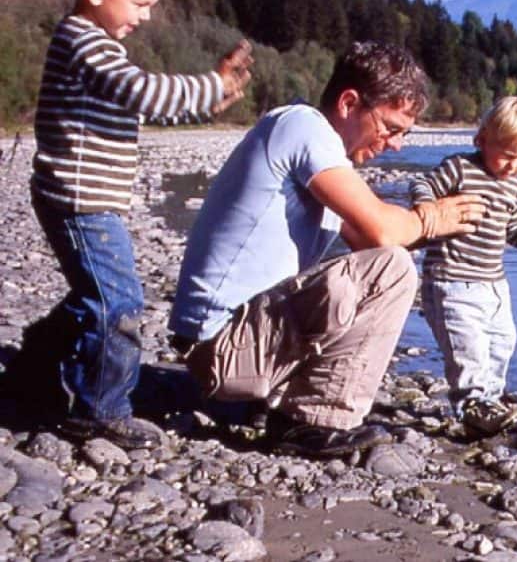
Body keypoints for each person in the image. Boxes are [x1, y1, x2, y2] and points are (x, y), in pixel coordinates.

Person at [168, 41, 485, 459]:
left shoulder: (320, 152)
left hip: (222, 347)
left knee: (378, 266)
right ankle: (314, 421)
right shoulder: (303, 128)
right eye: (391, 128)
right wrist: (431, 218)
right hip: (222, 351)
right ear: (350, 103)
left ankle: (293, 407)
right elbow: (384, 234)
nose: (395, 145)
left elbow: (368, 238)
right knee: (394, 268)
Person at [8, 0, 252, 449]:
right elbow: (138, 91)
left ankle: (35, 362)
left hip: (86, 199)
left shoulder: (93, 44)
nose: (146, 17)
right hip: (79, 201)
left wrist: (206, 101)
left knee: (95, 294)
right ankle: (101, 410)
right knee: (120, 305)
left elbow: (136, 105)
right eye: (141, 4)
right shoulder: (83, 41)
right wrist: (211, 84)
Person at [410, 96, 517, 436]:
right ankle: (470, 405)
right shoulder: (460, 168)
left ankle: (491, 400)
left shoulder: (512, 186)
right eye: (507, 155)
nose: (513, 166)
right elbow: (421, 184)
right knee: (468, 348)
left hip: (494, 285)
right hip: (451, 280)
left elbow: (515, 229)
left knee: (502, 342)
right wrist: (428, 207)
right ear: (481, 140)